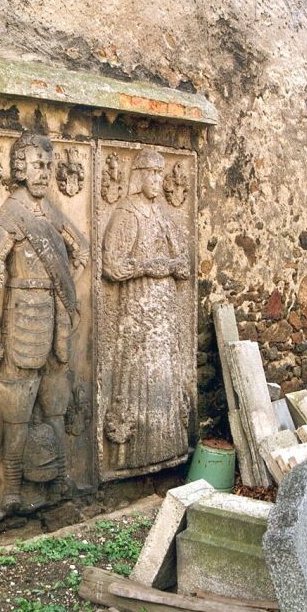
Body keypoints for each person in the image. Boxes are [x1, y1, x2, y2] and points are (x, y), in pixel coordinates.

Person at [0, 132, 89, 511]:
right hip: (24, 317)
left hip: (57, 318)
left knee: (55, 399)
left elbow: (81, 248)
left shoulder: (49, 211)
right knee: (17, 409)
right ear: (20, 168)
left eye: (49, 166)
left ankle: (60, 476)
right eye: (39, 165)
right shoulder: (13, 214)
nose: (45, 173)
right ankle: (12, 487)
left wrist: (67, 288)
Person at [102, 148, 190, 470]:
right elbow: (111, 265)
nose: (157, 179)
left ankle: (169, 448)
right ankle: (136, 455)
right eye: (152, 173)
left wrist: (171, 265)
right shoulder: (128, 212)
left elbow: (183, 265)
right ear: (139, 176)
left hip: (163, 312)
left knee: (164, 372)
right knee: (140, 375)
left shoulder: (163, 216)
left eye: (160, 173)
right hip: (138, 311)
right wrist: (147, 266)